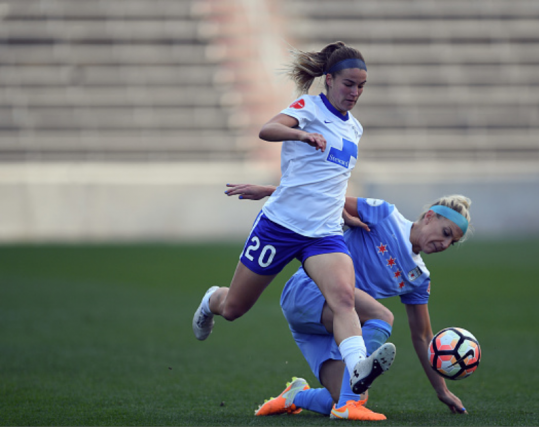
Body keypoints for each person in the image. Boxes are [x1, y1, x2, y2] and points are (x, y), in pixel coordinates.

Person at [192, 41, 395, 395]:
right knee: (236, 308)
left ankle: (358, 364)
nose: (355, 92)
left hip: (324, 234)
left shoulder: (355, 129)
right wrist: (300, 133)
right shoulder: (308, 107)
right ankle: (213, 299)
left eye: (361, 86)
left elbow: (327, 184)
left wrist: (347, 215)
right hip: (280, 227)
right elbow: (267, 130)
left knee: (343, 299)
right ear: (328, 80)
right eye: (349, 83)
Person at [225, 183, 472, 420]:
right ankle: (347, 402)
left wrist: (442, 390)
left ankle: (294, 397)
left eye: (452, 242)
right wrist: (268, 191)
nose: (445, 244)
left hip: (329, 326)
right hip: (307, 291)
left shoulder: (419, 278)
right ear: (429, 216)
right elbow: (324, 201)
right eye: (446, 233)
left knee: (346, 395)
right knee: (382, 317)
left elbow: (423, 337)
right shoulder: (386, 215)